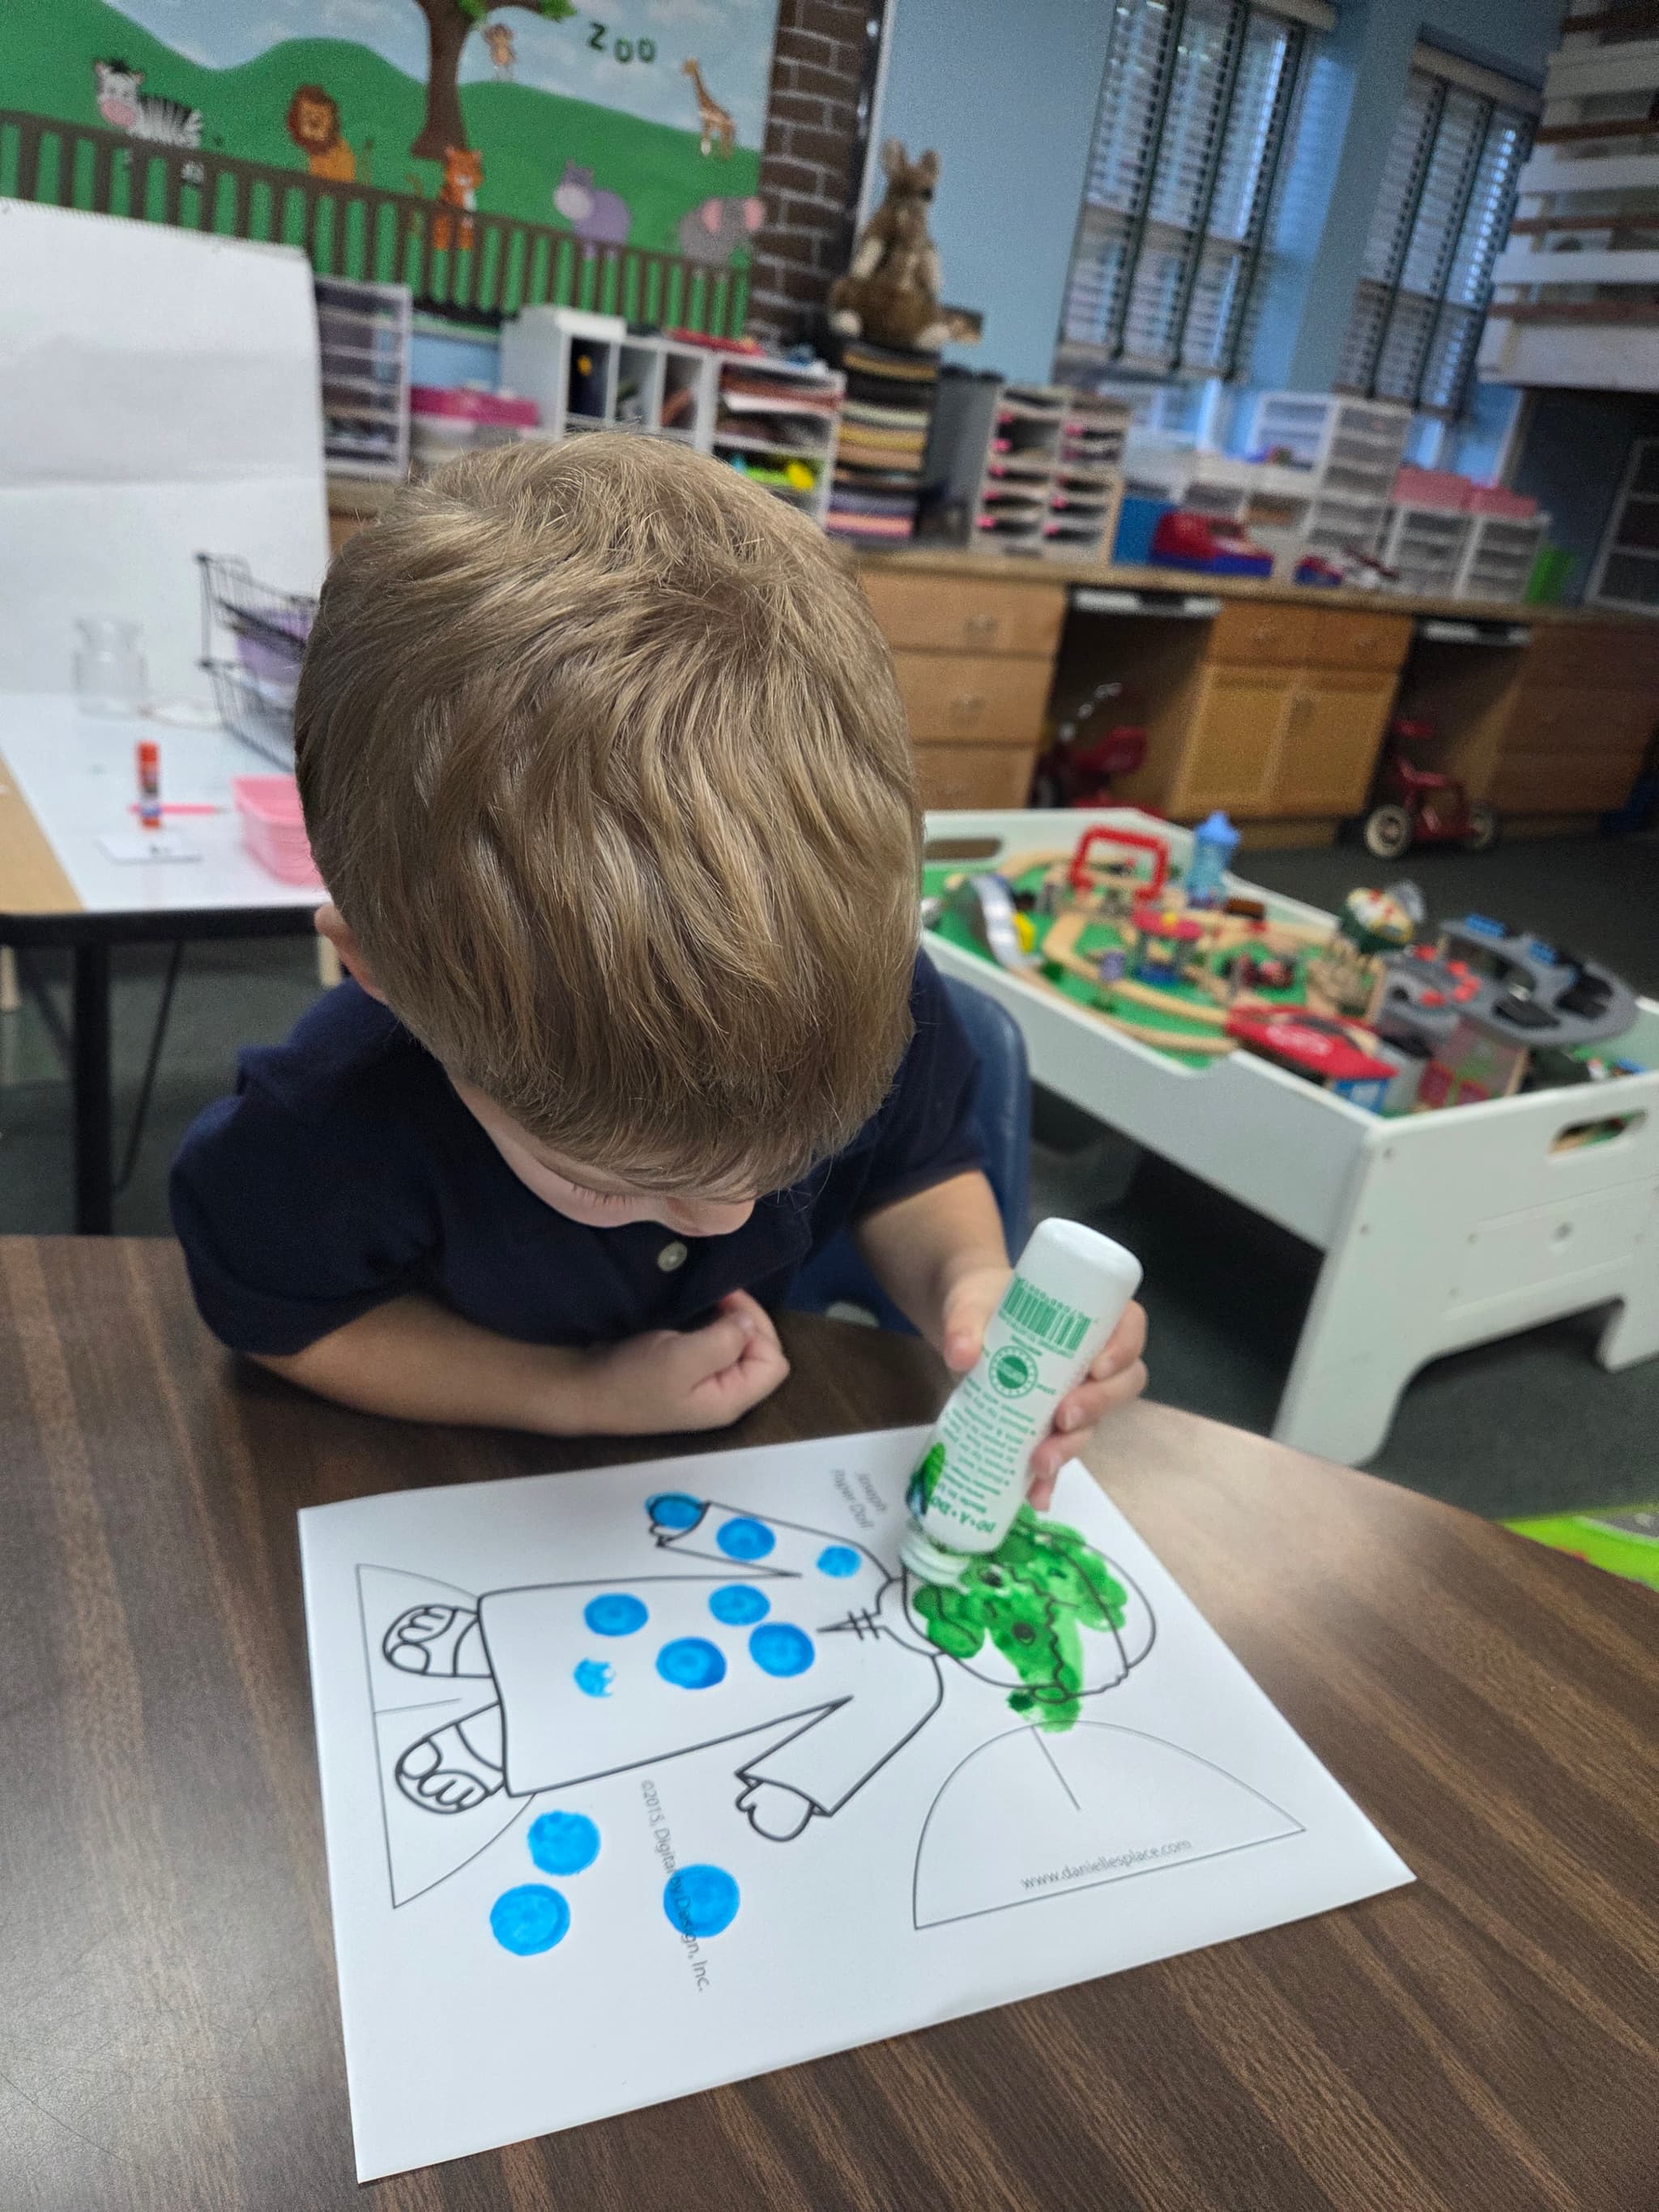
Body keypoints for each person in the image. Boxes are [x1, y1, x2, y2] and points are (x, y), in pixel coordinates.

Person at [171, 437, 1146, 1496]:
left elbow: (913, 1163)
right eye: (608, 1180)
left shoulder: (847, 986)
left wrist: (972, 1289)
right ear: (383, 975)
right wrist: (570, 1391)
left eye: (787, 1165)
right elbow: (284, 1318)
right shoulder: (326, 1131)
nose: (732, 1219)